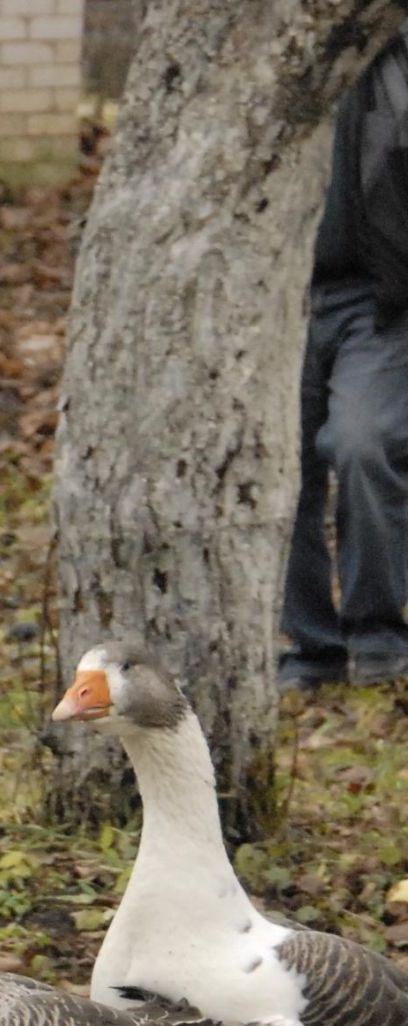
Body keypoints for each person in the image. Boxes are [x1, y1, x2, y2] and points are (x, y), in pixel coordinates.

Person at [282, 29, 408, 692]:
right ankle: (311, 645)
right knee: (281, 467)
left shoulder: (390, 52)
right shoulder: (270, 56)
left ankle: (377, 634)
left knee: (363, 445)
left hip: (378, 298)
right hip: (279, 295)